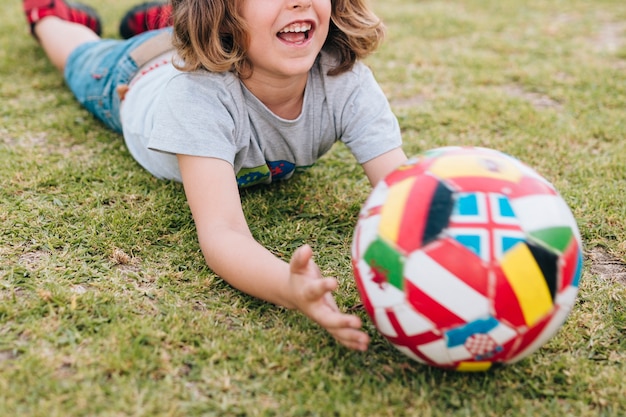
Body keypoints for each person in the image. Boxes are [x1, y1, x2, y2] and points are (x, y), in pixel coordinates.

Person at [23, 0, 407, 351]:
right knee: (79, 52)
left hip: (211, 37)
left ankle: (160, 21)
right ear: (220, 9)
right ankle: (50, 16)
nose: (299, 1)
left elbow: (403, 193)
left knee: (184, 36)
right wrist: (288, 286)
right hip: (137, 72)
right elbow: (223, 234)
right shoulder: (197, 98)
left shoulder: (346, 79)